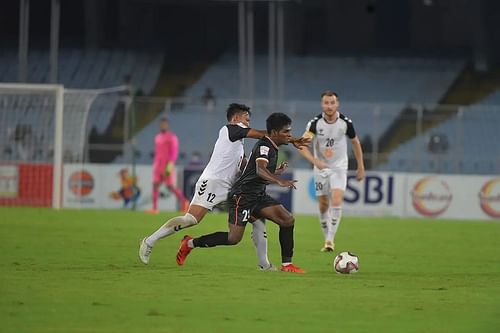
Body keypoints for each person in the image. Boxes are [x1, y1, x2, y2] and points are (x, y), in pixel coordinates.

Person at [140, 104, 307, 269]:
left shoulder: (238, 146)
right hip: (213, 182)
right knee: (191, 220)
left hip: (232, 189)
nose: (248, 123)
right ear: (235, 118)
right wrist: (290, 139)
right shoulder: (229, 130)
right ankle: (150, 241)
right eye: (246, 119)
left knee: (257, 223)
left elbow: (247, 169)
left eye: (249, 120)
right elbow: (267, 135)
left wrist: (276, 170)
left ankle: (264, 264)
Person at [298, 91, 365, 252]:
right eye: (326, 103)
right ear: (322, 104)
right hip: (321, 168)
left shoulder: (345, 123)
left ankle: (330, 240)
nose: (329, 106)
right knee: (323, 204)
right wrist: (316, 162)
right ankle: (326, 235)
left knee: (336, 199)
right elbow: (301, 145)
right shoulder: (314, 124)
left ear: (337, 104)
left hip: (339, 167)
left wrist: (361, 166)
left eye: (332, 103)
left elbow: (355, 143)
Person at [147, 117, 188, 214]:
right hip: (158, 164)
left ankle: (185, 202)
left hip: (167, 164)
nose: (162, 126)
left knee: (170, 186)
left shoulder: (172, 137)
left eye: (164, 124)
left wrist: (171, 163)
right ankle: (155, 208)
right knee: (155, 184)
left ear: (167, 125)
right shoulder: (157, 137)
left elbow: (174, 151)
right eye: (161, 124)